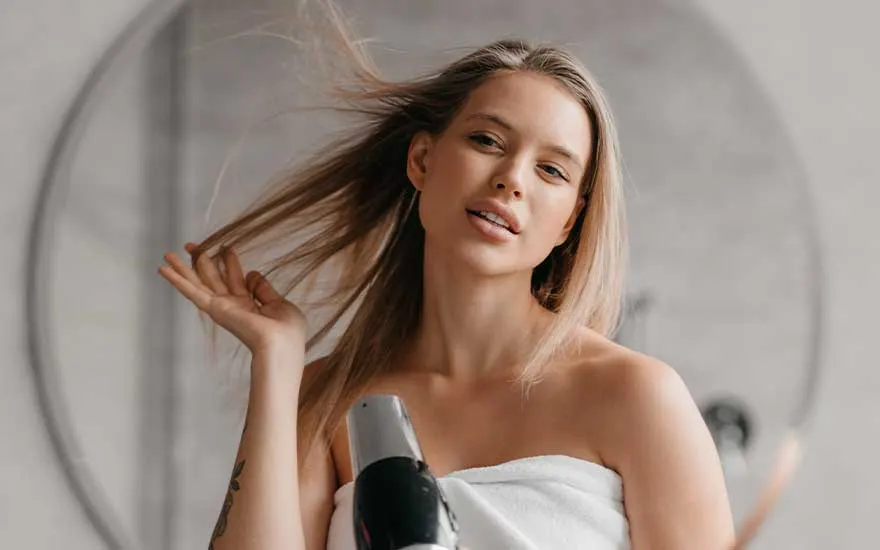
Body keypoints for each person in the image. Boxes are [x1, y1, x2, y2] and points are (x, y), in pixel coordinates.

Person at [158, 4, 734, 549]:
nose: (512, 179)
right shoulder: (329, 397)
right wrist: (278, 364)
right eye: (487, 140)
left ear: (569, 222)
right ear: (423, 162)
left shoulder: (634, 397)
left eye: (551, 170)